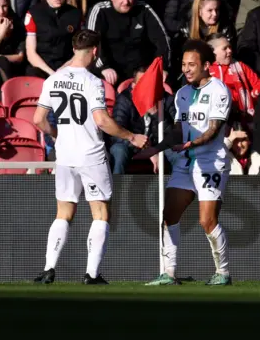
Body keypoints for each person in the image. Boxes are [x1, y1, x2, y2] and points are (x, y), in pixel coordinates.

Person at [32, 29, 149, 285]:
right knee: (100, 212)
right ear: (95, 52)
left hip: (64, 155)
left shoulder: (52, 79)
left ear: (74, 48)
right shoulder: (93, 81)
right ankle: (92, 274)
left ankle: (49, 268)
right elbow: (102, 120)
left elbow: (38, 119)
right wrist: (131, 136)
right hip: (90, 154)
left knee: (63, 211)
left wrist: (55, 134)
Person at [136, 39, 233, 286]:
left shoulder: (219, 90)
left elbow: (213, 130)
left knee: (206, 221)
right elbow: (180, 131)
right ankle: (169, 273)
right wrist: (156, 148)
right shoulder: (182, 94)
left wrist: (191, 144)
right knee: (169, 215)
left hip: (211, 162)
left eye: (192, 64)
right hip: (185, 163)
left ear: (207, 66)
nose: (187, 69)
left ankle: (223, 272)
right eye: (183, 64)